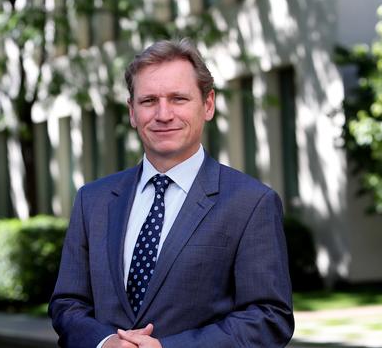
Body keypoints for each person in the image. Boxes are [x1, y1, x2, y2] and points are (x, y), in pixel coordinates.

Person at [49, 38, 294, 348]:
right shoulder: (92, 201)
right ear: (132, 112)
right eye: (149, 101)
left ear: (207, 105)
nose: (163, 114)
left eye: (178, 99)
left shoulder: (251, 203)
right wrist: (106, 342)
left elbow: (269, 317)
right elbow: (67, 304)